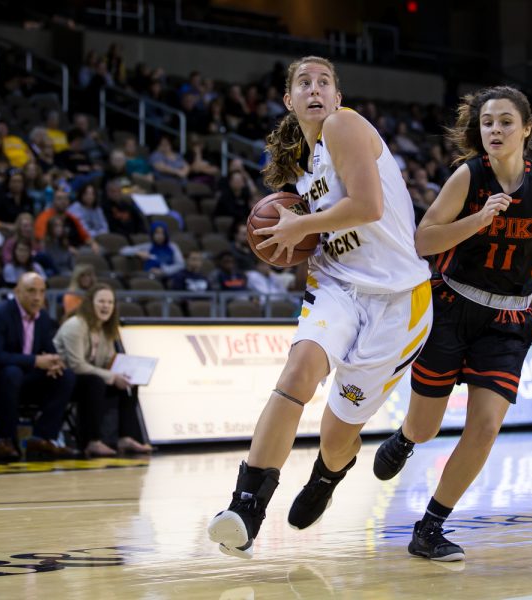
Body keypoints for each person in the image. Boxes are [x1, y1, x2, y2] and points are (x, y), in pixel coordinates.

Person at [206, 56, 432, 559]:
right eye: (303, 83)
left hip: (398, 302)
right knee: (297, 372)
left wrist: (297, 228)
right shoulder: (301, 175)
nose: (315, 90)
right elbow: (322, 231)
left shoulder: (344, 126)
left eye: (324, 82)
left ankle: (330, 474)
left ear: (337, 96)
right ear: (288, 101)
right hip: (336, 285)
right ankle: (246, 507)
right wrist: (293, 235)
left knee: (336, 436)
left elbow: (369, 206)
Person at [371, 86, 532, 561]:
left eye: (505, 122)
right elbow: (424, 241)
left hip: (508, 316)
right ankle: (405, 438)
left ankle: (431, 527)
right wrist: (478, 219)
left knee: (484, 426)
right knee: (425, 424)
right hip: (452, 305)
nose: (495, 130)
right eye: (487, 123)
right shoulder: (468, 176)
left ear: (526, 129)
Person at [0, 272, 79, 461]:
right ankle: (6, 440)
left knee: (65, 376)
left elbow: (49, 351)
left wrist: (55, 363)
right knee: (12, 372)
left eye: (41, 292)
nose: (37, 297)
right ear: (17, 292)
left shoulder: (43, 318)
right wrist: (35, 361)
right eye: (31, 291)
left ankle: (42, 438)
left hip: (21, 379)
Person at [53, 283, 152, 456]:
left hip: (89, 378)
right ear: (89, 303)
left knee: (129, 383)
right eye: (101, 301)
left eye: (110, 302)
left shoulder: (106, 329)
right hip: (63, 379)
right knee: (96, 383)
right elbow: (77, 365)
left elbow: (108, 361)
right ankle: (92, 441)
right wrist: (112, 376)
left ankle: (126, 437)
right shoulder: (76, 325)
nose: (106, 306)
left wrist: (124, 372)